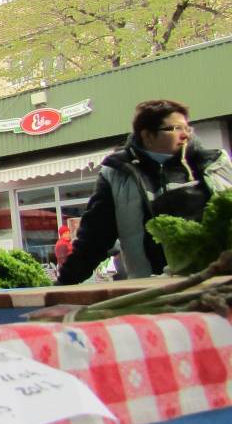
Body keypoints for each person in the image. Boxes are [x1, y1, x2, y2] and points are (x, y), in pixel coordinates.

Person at [56, 99, 232, 285]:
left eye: (187, 128)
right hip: (153, 289)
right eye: (175, 129)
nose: (185, 135)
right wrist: (63, 284)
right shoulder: (117, 174)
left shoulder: (215, 164)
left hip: (221, 283)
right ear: (148, 135)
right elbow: (94, 240)